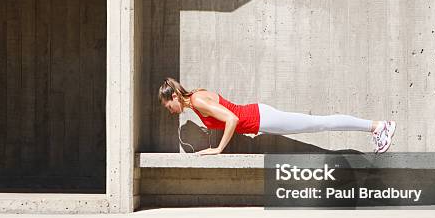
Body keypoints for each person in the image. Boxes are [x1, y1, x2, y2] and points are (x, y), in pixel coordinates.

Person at [158, 77, 396, 155]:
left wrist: (218, 149)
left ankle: (377, 126)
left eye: (168, 106)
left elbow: (232, 118)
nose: (170, 111)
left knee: (319, 123)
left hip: (260, 118)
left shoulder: (198, 100)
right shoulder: (197, 99)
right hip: (260, 118)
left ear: (175, 97)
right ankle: (375, 127)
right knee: (318, 124)